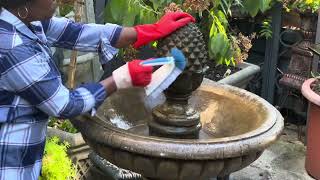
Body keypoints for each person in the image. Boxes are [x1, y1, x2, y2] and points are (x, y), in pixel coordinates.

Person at [0, 0, 195, 179]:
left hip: (25, 155)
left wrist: (147, 31)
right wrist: (120, 78)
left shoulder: (26, 21)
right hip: (10, 161)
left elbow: (76, 32)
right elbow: (65, 105)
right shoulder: (12, 47)